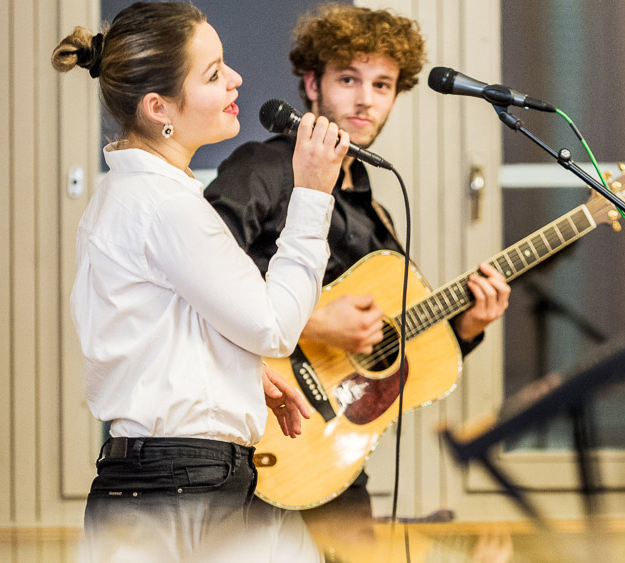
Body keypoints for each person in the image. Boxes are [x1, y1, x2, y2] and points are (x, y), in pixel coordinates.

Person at [203, 2, 511, 554]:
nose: (365, 99)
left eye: (383, 84)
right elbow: (202, 268)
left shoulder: (375, 213)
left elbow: (396, 361)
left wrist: (466, 327)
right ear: (311, 82)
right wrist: (313, 323)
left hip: (334, 450)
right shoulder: (265, 167)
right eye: (348, 79)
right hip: (255, 426)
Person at [52, 3, 348, 560]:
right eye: (213, 74)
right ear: (158, 107)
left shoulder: (136, 195)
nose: (235, 79)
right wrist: (311, 192)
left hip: (166, 479)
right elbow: (274, 326)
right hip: (182, 485)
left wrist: (235, 371)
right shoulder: (163, 204)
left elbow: (153, 323)